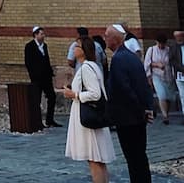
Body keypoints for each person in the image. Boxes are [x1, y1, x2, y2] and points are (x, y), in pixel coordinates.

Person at [105, 23, 155, 183]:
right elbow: (143, 86)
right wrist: (148, 109)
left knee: (133, 158)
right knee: (140, 156)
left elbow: (124, 90)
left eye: (107, 36)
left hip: (127, 118)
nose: (105, 39)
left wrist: (140, 110)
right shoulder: (132, 56)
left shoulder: (119, 59)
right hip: (138, 117)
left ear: (114, 39)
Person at [62, 36, 115, 183]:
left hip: (88, 117)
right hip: (90, 114)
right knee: (97, 160)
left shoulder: (86, 68)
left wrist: (74, 94)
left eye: (77, 46)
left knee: (94, 160)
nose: (74, 48)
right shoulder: (90, 66)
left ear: (84, 50)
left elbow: (95, 93)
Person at [24, 25, 60, 127]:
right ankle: (37, 121)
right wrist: (34, 75)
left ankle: (50, 119)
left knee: (52, 97)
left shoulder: (44, 46)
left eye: (43, 34)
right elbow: (28, 63)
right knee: (37, 99)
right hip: (36, 78)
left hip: (46, 77)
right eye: (41, 34)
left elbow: (46, 60)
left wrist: (50, 72)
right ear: (35, 35)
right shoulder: (29, 46)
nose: (43, 36)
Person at [144, 32, 175, 124]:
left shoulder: (168, 50)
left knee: (169, 97)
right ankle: (165, 116)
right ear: (156, 42)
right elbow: (147, 63)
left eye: (163, 43)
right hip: (156, 75)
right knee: (162, 95)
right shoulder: (152, 50)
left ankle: (167, 113)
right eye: (159, 43)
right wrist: (156, 66)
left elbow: (172, 62)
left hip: (168, 76)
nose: (161, 45)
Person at [170, 29, 184, 118]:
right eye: (176, 37)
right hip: (179, 74)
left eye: (180, 36)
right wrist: (180, 68)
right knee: (182, 95)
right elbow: (171, 60)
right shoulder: (173, 47)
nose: (178, 38)